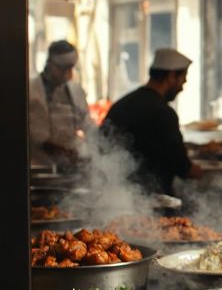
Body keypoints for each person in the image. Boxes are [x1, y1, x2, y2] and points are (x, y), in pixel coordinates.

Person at [101, 48, 202, 195]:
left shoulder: (121, 105)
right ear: (171, 76)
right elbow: (183, 168)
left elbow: (100, 146)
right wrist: (207, 172)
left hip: (117, 197)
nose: (182, 86)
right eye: (183, 79)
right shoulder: (164, 113)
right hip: (153, 202)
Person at [29, 40, 93, 170]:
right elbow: (37, 137)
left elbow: (88, 125)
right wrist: (64, 153)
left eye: (71, 68)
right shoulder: (31, 90)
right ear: (50, 65)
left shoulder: (76, 91)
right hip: (39, 165)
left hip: (70, 166)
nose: (67, 74)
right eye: (63, 69)